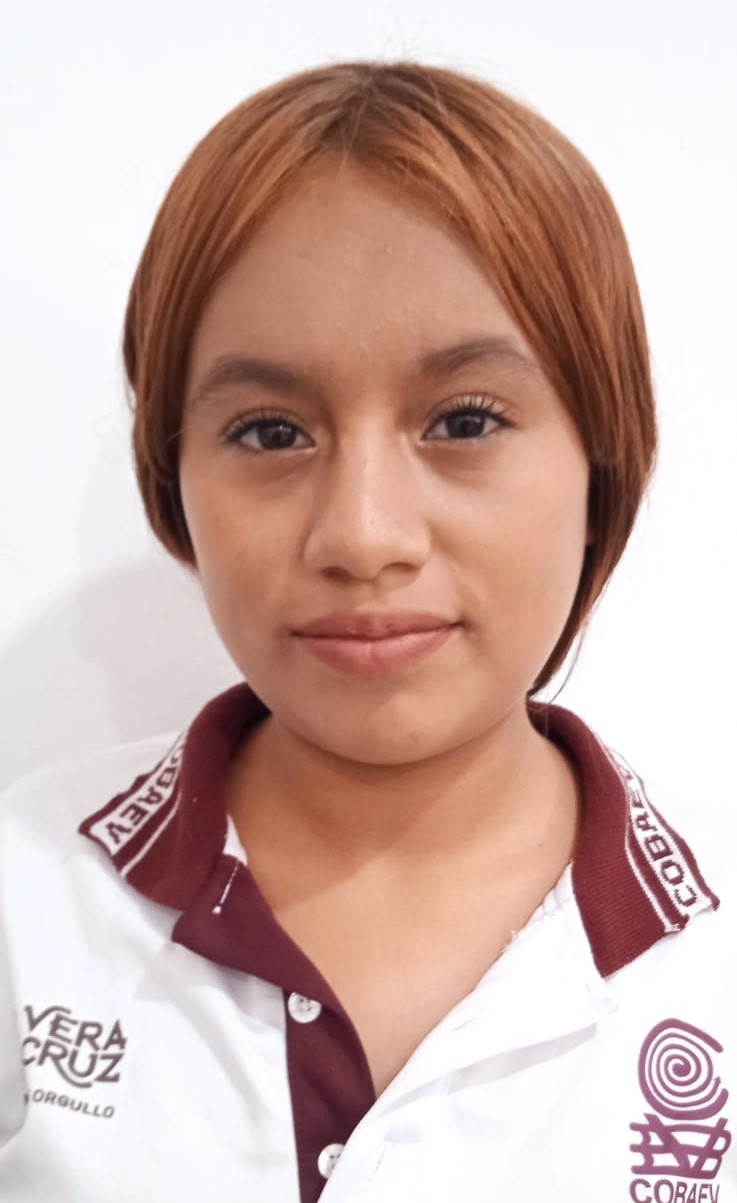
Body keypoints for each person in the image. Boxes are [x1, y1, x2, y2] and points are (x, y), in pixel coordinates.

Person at [0, 59, 733, 1203]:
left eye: (464, 421)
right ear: (171, 480)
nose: (362, 535)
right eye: (269, 433)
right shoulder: (26, 900)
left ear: (599, 464)